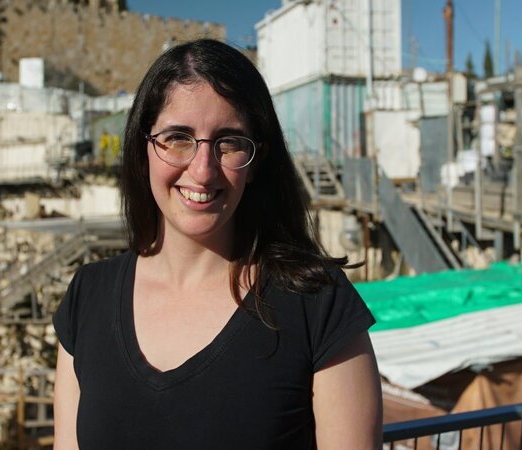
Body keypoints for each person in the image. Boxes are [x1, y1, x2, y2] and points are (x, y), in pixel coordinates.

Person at [53, 39, 382, 450]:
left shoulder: (318, 305)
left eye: (229, 142)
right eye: (177, 137)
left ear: (257, 159)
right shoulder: (87, 298)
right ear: (143, 149)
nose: (203, 169)